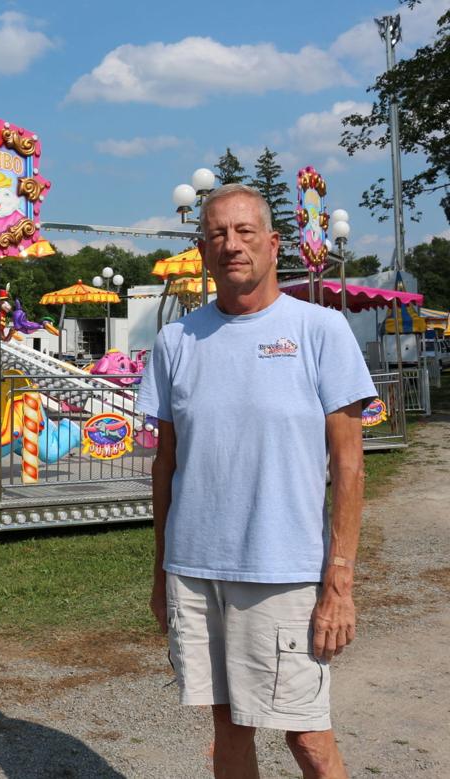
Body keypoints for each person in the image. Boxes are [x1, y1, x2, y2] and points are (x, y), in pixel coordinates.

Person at [135, 184, 375, 778]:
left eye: (244, 233)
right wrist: (162, 570)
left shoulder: (319, 330)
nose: (231, 245)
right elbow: (166, 464)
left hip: (284, 572)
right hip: (195, 568)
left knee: (308, 737)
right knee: (228, 728)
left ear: (272, 244)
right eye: (217, 234)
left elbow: (349, 464)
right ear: (202, 249)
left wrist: (338, 583)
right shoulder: (175, 341)